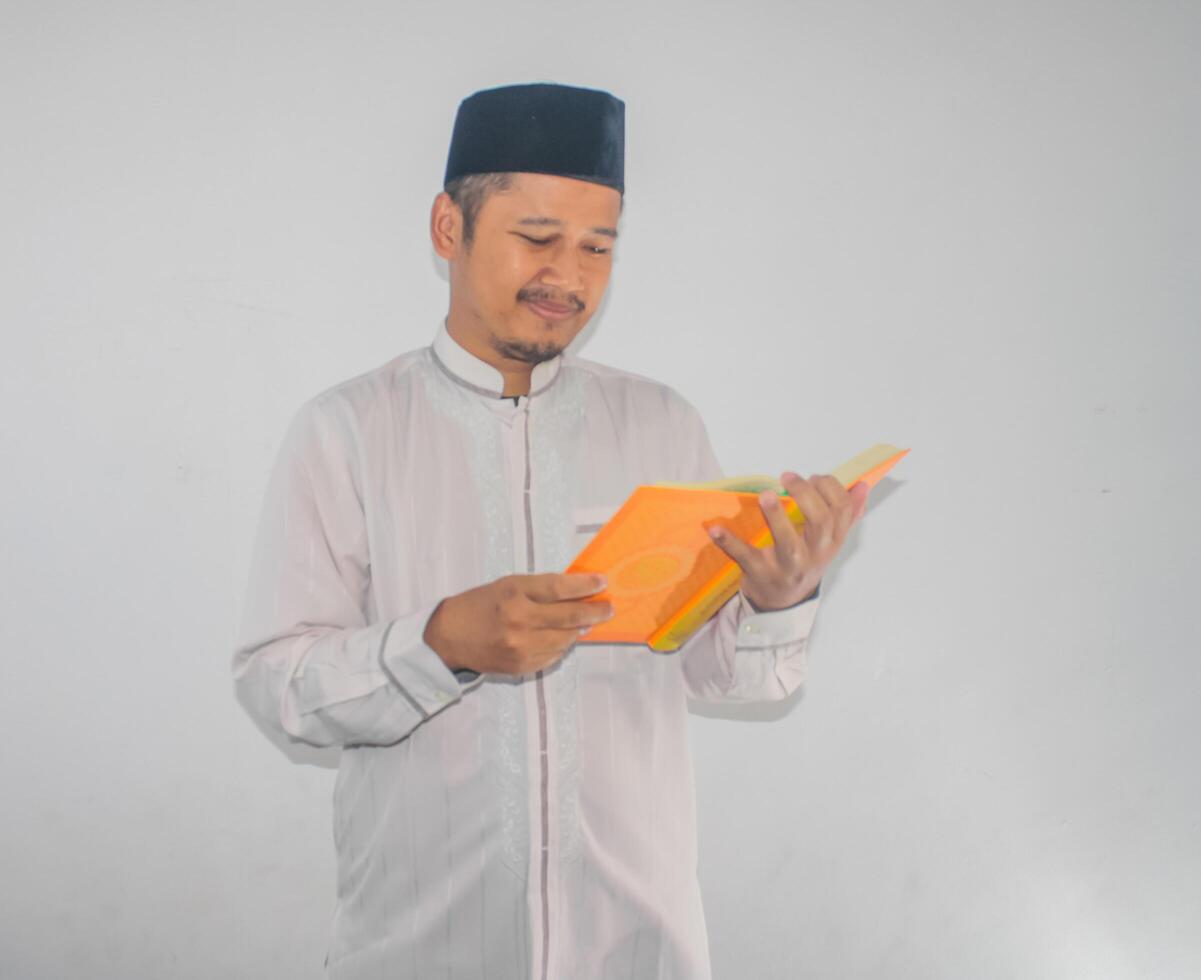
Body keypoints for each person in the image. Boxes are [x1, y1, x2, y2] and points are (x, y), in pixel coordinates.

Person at [232, 81, 869, 980]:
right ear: (449, 228)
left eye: (597, 246)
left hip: (636, 945)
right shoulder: (350, 429)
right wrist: (441, 642)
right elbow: (278, 689)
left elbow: (731, 678)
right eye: (536, 238)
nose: (568, 277)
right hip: (422, 945)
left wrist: (780, 598)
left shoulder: (661, 426)